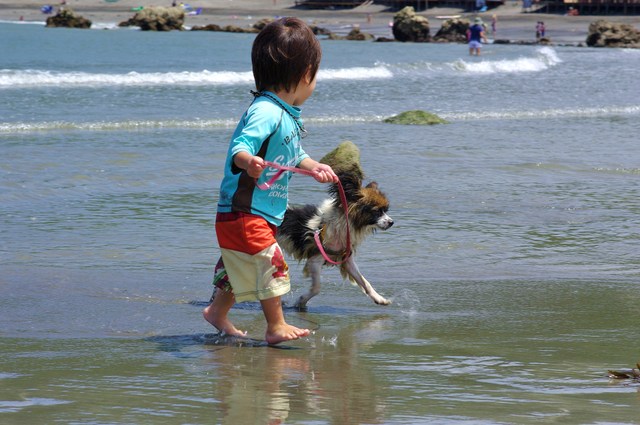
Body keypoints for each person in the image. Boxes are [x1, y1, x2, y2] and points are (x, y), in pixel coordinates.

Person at [203, 17, 338, 345]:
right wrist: (249, 162)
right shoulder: (265, 111)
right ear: (304, 74)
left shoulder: (285, 114)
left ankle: (216, 313)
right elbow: (240, 148)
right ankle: (276, 325)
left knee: (240, 268)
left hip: (254, 212)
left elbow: (294, 154)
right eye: (315, 75)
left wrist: (314, 165)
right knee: (270, 261)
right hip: (244, 210)